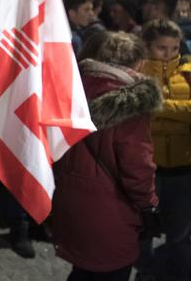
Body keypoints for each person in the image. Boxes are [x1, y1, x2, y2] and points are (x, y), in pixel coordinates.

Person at [53, 31, 161, 281]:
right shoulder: (132, 103)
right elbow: (138, 168)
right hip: (110, 210)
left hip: (70, 196)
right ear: (139, 63)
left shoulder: (73, 86)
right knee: (108, 271)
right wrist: (149, 204)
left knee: (82, 270)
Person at [138, 19, 191, 281]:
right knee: (143, 232)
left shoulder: (189, 71)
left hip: (183, 167)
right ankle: (144, 274)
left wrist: (159, 106)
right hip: (147, 167)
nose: (169, 53)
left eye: (174, 47)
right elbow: (138, 113)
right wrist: (179, 112)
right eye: (161, 48)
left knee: (180, 234)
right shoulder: (138, 73)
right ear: (147, 46)